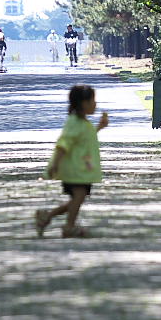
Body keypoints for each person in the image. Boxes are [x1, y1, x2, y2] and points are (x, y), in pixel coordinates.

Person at [35, 84, 109, 238]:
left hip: (80, 169)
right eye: (92, 100)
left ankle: (47, 216)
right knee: (79, 196)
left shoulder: (82, 123)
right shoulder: (74, 122)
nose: (95, 104)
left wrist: (99, 127)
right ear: (83, 103)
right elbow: (64, 144)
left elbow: (83, 139)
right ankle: (69, 226)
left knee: (77, 198)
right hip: (75, 169)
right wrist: (55, 164)